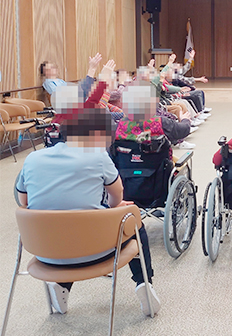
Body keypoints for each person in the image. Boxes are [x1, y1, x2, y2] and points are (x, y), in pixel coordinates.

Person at [15, 107, 160, 317]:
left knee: (68, 228)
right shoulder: (98, 156)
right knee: (133, 219)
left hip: (46, 253)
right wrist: (113, 208)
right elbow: (117, 197)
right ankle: (144, 283)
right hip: (97, 253)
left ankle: (61, 285)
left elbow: (24, 203)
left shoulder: (32, 159)